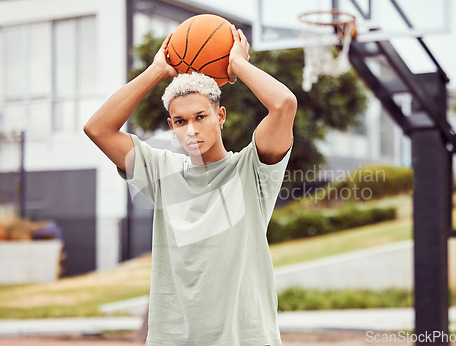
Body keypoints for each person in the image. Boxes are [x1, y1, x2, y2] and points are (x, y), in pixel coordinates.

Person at [84, 24, 297, 346]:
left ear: (220, 115)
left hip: (245, 338)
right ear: (171, 126)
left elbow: (283, 104)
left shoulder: (252, 169)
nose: (191, 130)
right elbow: (97, 129)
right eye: (181, 122)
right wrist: (157, 70)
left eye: (201, 116)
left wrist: (237, 64)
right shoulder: (160, 170)